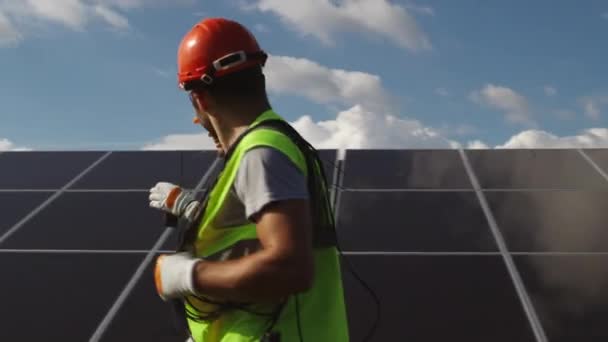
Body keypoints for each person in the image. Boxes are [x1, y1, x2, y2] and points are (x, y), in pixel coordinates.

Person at [148, 17, 350, 342]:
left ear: (201, 99)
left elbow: (290, 268)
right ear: (259, 78)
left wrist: (189, 275)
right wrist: (194, 211)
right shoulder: (269, 146)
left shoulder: (261, 153)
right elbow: (250, 236)